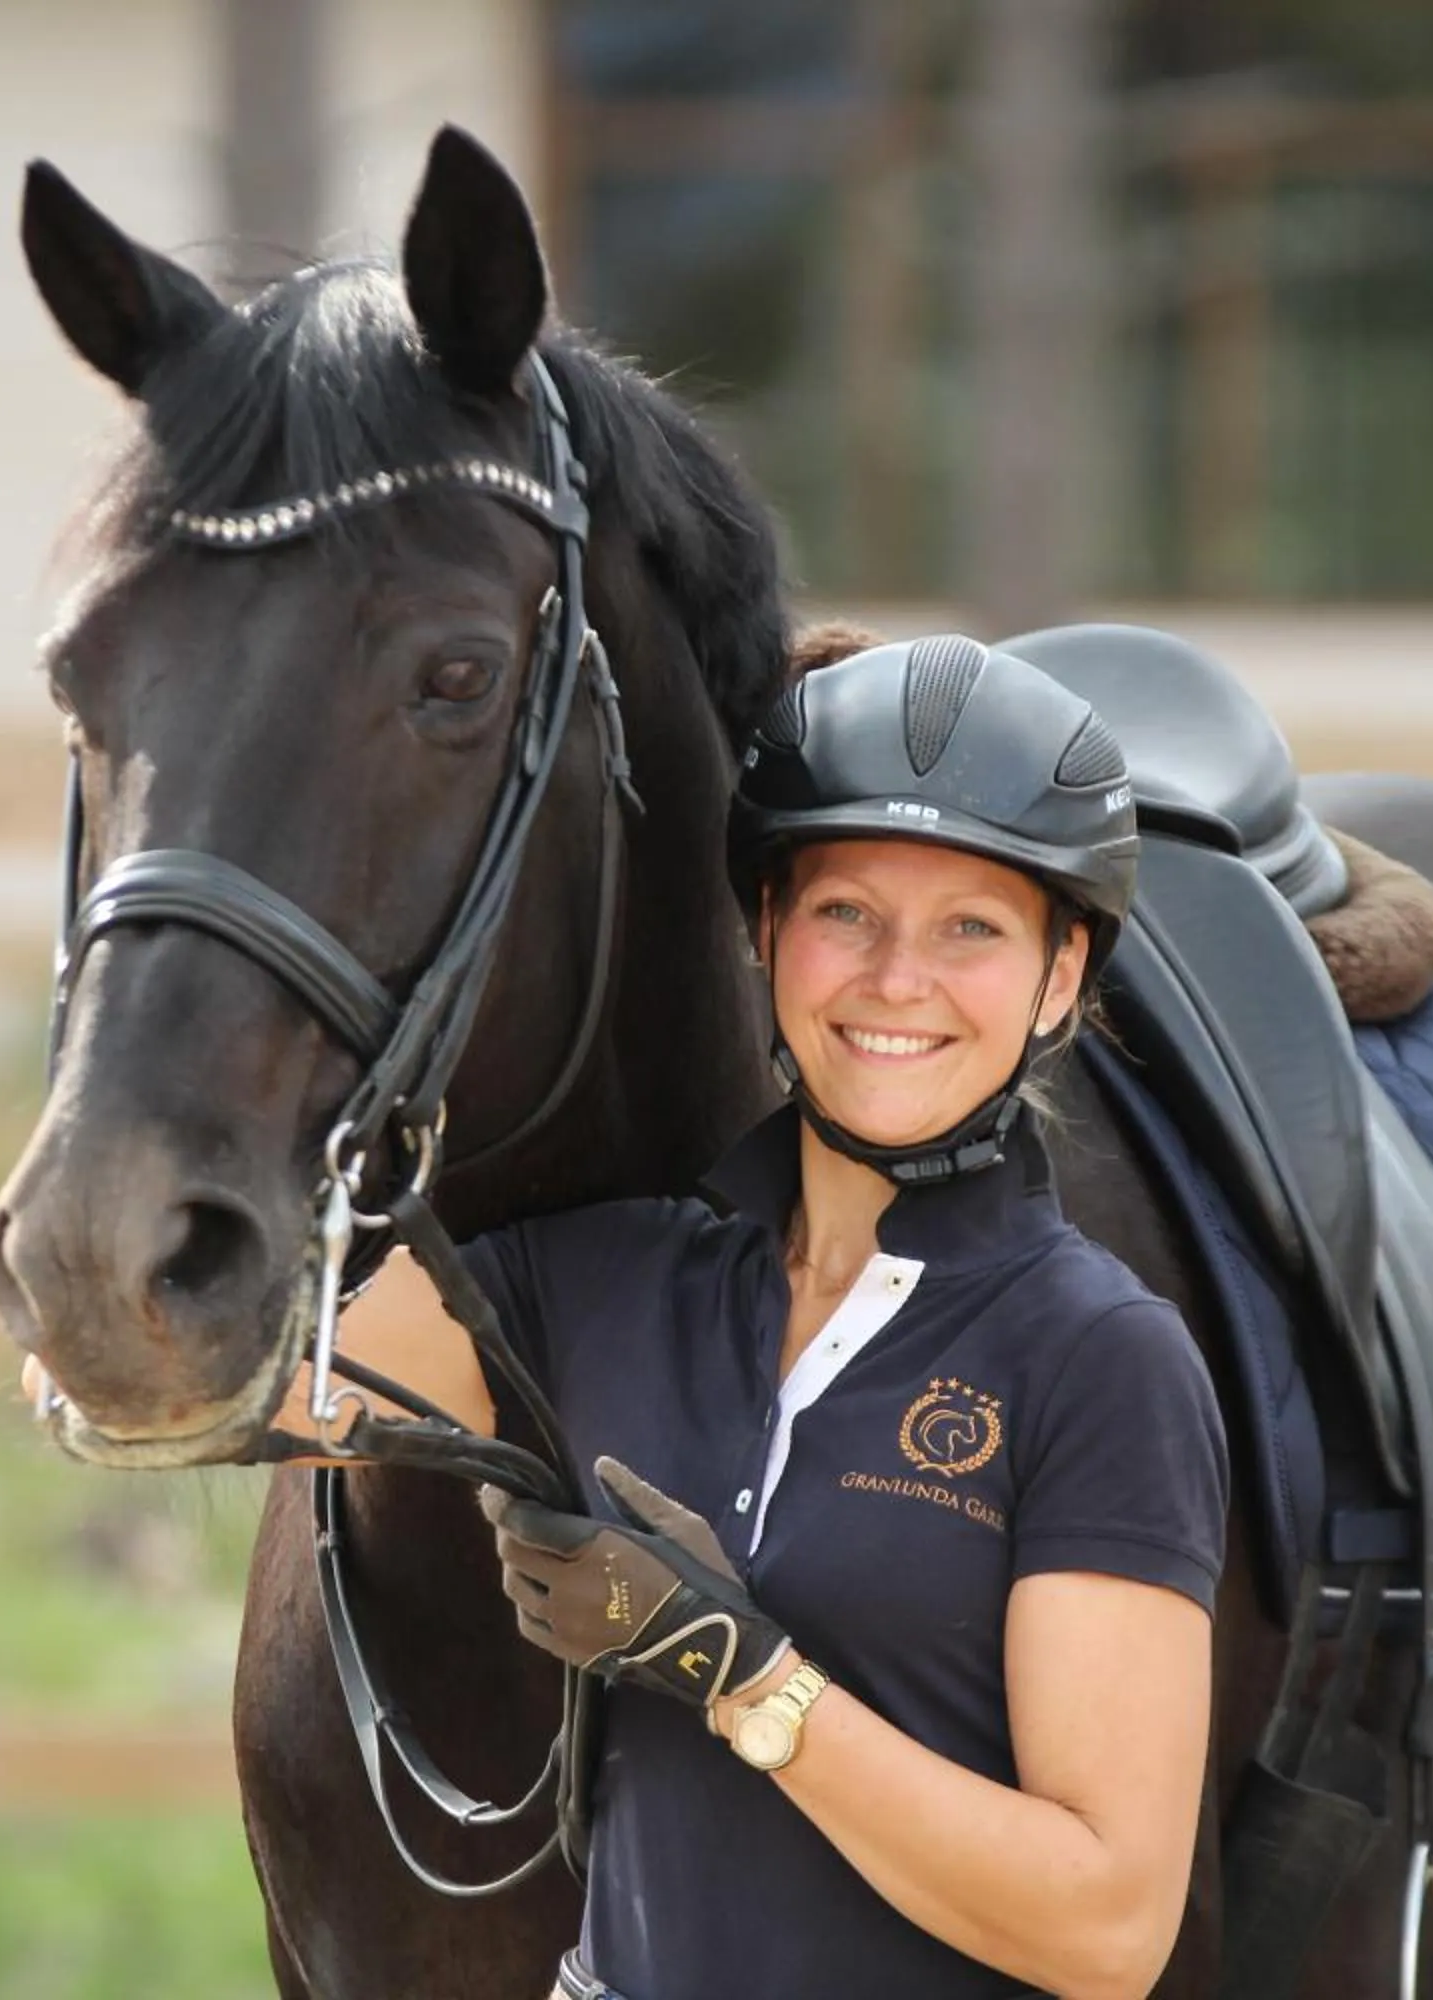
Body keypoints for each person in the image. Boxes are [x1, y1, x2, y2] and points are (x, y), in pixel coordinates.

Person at [314, 635, 1227, 1999]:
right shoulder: (601, 1280)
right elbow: (204, 1377)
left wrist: (746, 1676)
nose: (896, 979)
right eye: (846, 912)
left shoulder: (1101, 1361)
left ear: (1058, 978)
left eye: (972, 927)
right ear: (764, 933)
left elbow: (1106, 1929)